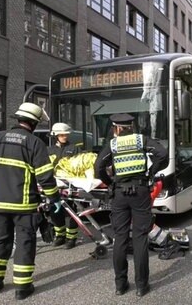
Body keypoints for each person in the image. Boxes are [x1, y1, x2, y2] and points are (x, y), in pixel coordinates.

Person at [0, 102, 59, 301]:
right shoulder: (34, 143)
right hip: (24, 207)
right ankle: (22, 287)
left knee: (0, 240)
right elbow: (44, 176)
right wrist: (53, 197)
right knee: (24, 242)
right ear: (33, 123)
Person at [95, 113, 168, 297]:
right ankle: (142, 286)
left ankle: (120, 285)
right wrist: (151, 173)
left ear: (116, 128)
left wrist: (110, 182)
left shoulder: (112, 144)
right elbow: (163, 154)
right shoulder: (141, 140)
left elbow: (98, 168)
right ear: (131, 127)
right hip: (141, 192)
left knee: (120, 237)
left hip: (120, 193)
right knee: (140, 237)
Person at [48, 122, 81, 249]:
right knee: (55, 211)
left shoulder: (74, 148)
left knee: (72, 211)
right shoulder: (49, 150)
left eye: (66, 134)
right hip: (54, 186)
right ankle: (60, 235)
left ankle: (71, 238)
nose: (65, 136)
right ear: (56, 135)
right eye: (62, 134)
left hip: (70, 186)